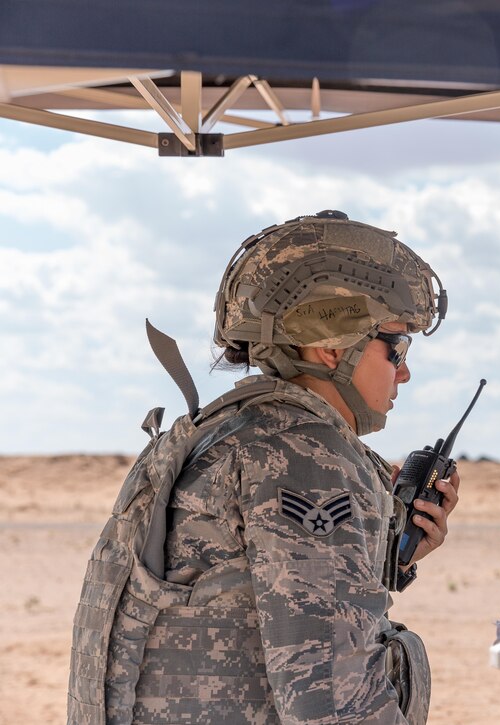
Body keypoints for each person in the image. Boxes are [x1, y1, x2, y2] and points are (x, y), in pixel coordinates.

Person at [68, 210, 454, 724]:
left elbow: (250, 593)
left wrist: (393, 557)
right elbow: (332, 703)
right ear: (330, 344)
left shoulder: (231, 430)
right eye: (397, 346)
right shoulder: (305, 456)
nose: (404, 372)